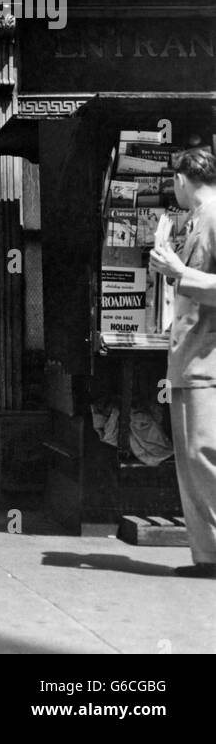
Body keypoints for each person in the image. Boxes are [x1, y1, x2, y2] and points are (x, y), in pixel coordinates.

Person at [147, 147, 216, 577]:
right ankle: (207, 554)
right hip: (193, 357)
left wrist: (178, 271)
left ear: (181, 179)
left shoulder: (210, 217)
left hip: (205, 358)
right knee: (194, 458)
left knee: (201, 455)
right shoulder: (198, 219)